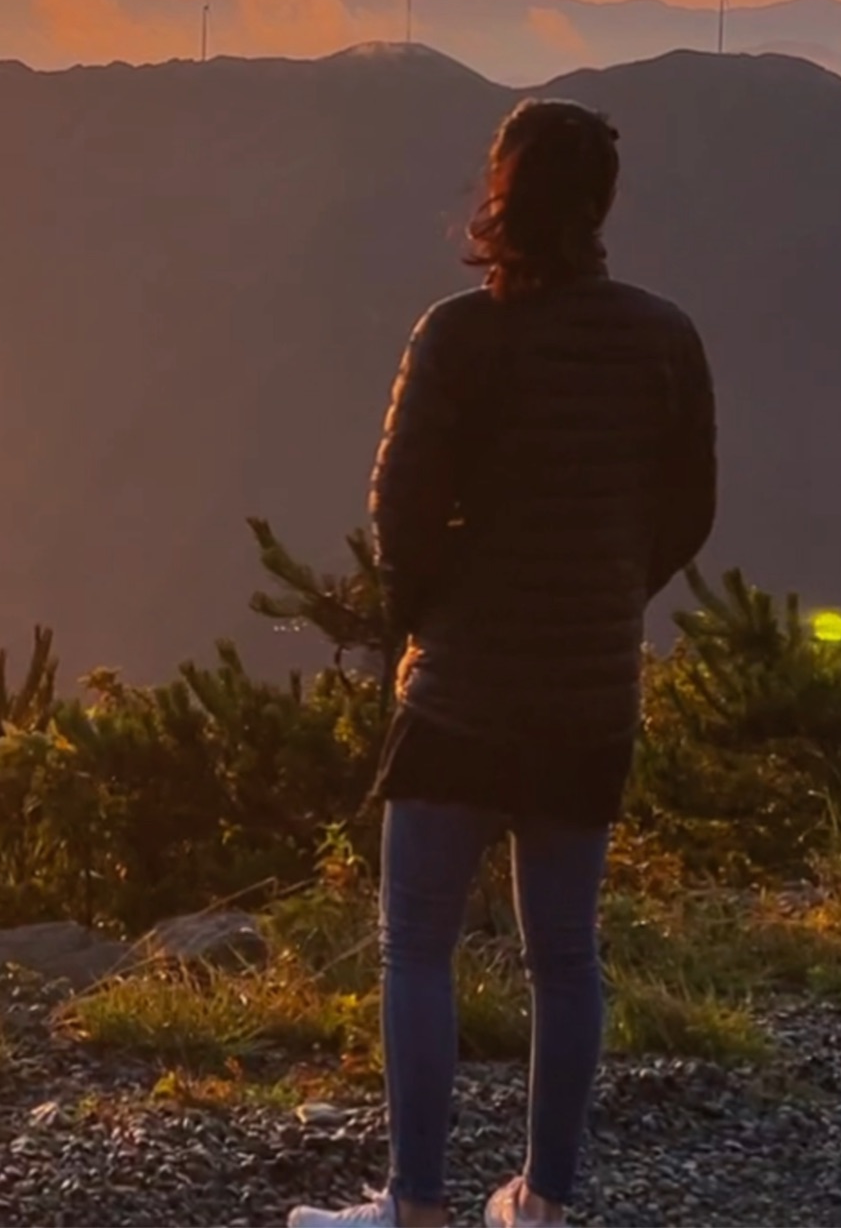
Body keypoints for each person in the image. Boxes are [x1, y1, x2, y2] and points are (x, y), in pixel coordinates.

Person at [290, 97, 717, 1228]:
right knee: (565, 958)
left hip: (462, 692)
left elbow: (400, 517)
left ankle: (416, 1206)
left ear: (502, 194)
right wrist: (603, 595)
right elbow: (688, 511)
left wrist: (436, 612)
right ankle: (544, 1205)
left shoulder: (458, 334)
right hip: (591, 695)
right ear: (599, 203)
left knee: (416, 946)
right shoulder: (664, 335)